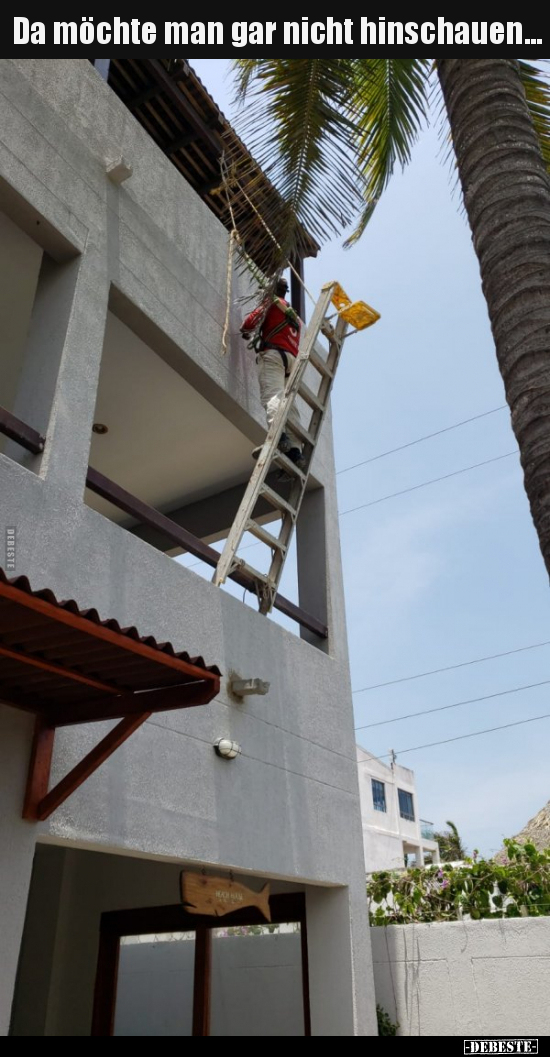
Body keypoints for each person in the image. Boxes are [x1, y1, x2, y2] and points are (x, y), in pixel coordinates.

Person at [240, 277, 306, 471]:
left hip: (274, 356)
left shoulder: (272, 303)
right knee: (290, 407)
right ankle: (295, 451)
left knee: (273, 396)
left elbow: (251, 322)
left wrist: (245, 329)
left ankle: (279, 436)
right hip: (291, 360)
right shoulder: (293, 315)